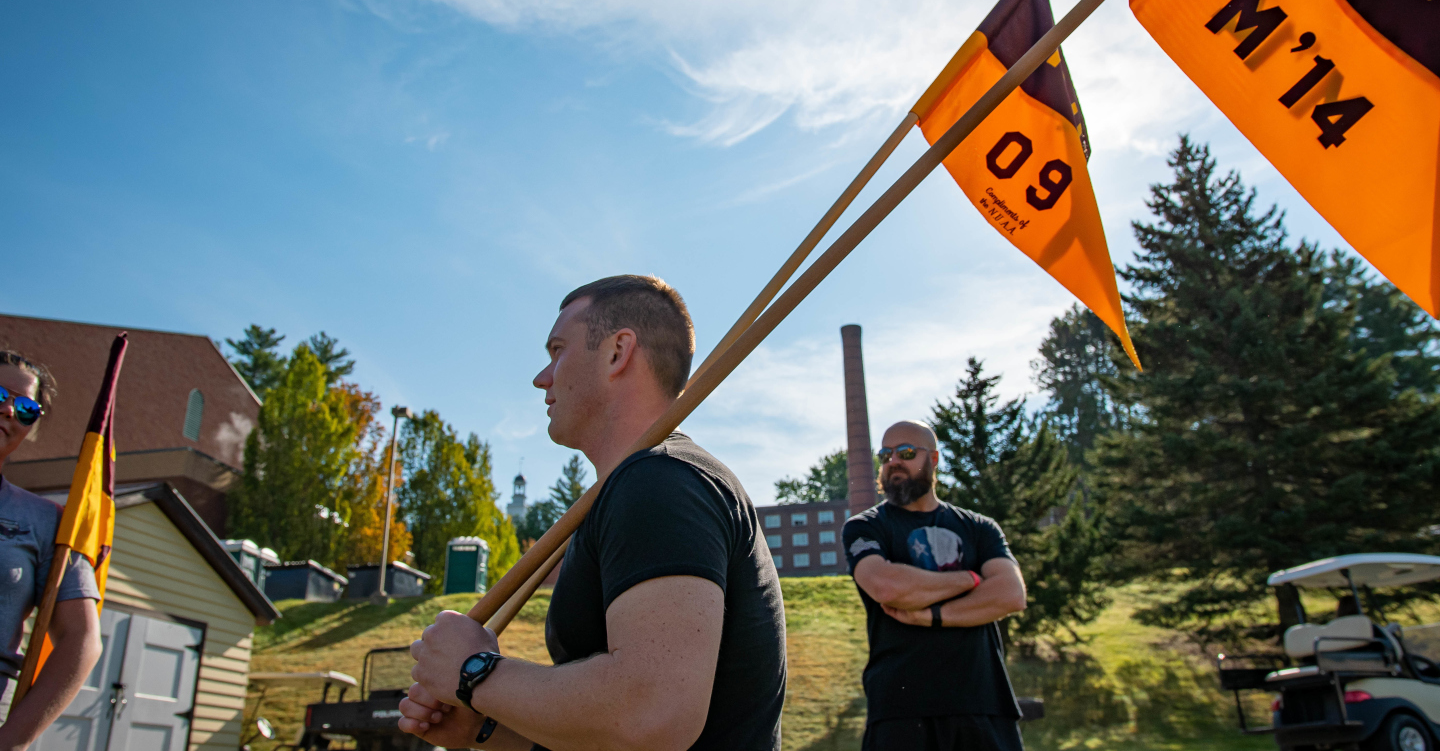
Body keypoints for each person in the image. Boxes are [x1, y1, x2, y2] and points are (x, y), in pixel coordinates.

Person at [400, 275, 786, 751]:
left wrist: (475, 672)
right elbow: (617, 733)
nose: (542, 377)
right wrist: (485, 729)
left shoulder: (659, 483)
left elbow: (654, 713)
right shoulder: (626, 492)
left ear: (617, 351)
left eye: (557, 350)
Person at [842, 419, 1029, 751]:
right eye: (885, 455)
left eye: (906, 452)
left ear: (935, 459)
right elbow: (888, 588)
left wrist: (932, 615)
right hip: (900, 713)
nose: (893, 462)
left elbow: (1010, 595)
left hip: (984, 706)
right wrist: (969, 578)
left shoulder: (979, 528)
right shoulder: (865, 528)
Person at [0, 351, 102, 747]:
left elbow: (82, 639)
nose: (10, 410)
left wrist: (12, 741)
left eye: (26, 407)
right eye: (0, 395)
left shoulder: (46, 522)